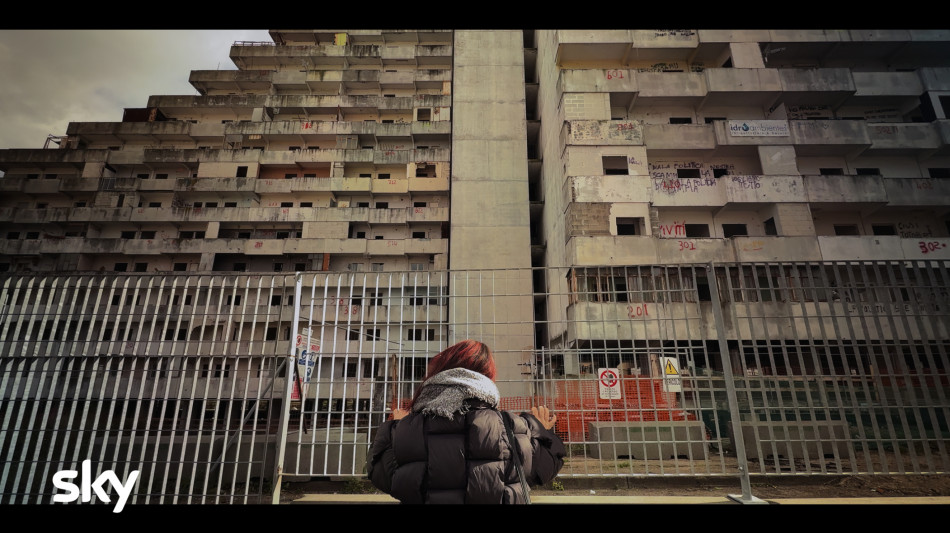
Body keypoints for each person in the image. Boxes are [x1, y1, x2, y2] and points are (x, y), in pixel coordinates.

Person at [367, 339, 566, 504]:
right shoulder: (512, 426)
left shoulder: (409, 429)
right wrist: (541, 431)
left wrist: (396, 428)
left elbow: (380, 472)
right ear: (487, 378)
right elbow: (544, 468)